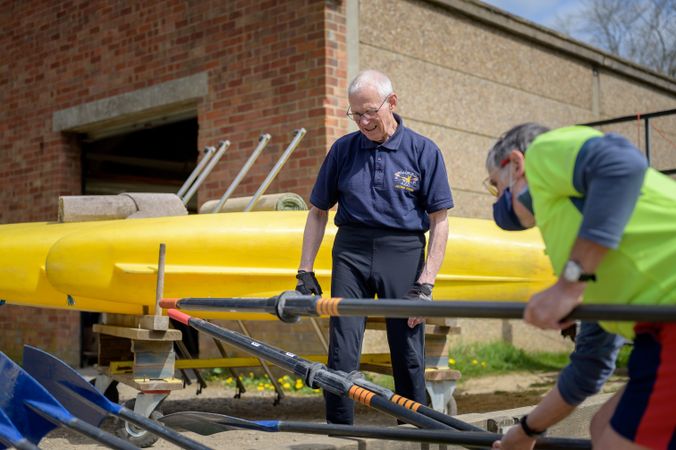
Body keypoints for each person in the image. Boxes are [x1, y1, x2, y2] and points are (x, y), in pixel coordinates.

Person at [483, 123, 676, 450]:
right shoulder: (578, 236)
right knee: (601, 425)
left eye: (496, 185)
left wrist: (569, 284)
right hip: (655, 330)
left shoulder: (543, 154)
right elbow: (590, 366)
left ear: (516, 164)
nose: (496, 200)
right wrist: (527, 430)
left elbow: (623, 163)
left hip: (667, 318)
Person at [295, 69, 453, 424]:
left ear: (392, 102)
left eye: (370, 112)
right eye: (356, 114)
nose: (364, 121)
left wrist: (426, 283)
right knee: (342, 350)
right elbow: (319, 211)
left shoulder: (423, 151)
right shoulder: (343, 150)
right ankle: (340, 433)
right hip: (351, 252)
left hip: (403, 252)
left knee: (408, 350)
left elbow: (439, 221)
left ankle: (415, 431)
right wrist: (304, 269)